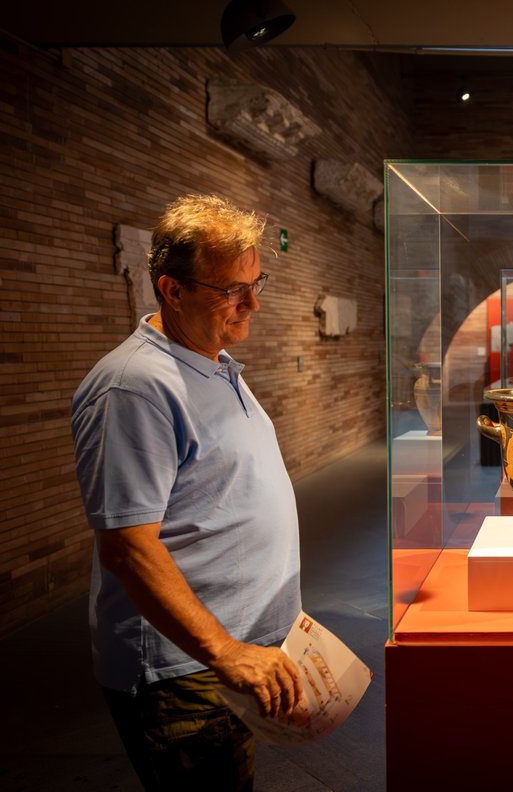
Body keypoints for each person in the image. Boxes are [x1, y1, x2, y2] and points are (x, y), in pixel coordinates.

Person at [71, 194, 303, 790]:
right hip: (187, 670)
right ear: (172, 290)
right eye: (231, 289)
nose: (252, 303)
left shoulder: (213, 361)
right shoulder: (134, 388)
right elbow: (127, 546)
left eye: (257, 281)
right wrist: (225, 652)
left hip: (236, 652)